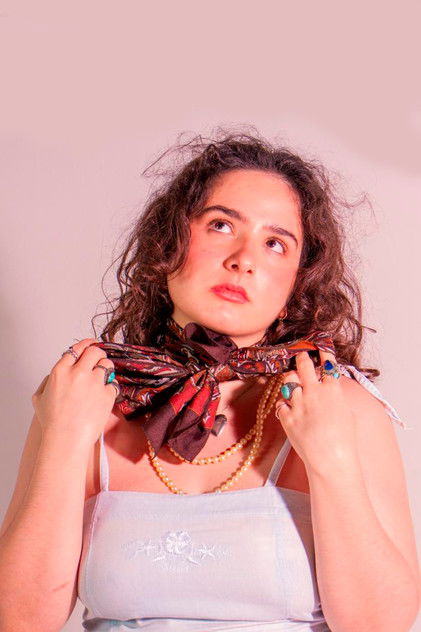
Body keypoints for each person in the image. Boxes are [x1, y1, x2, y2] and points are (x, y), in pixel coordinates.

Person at [0, 132, 420, 632]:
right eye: (221, 225)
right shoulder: (84, 397)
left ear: (295, 285)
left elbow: (382, 625)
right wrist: (63, 441)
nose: (244, 259)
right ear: (169, 245)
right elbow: (19, 620)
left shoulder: (340, 407)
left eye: (275, 244)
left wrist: (334, 463)